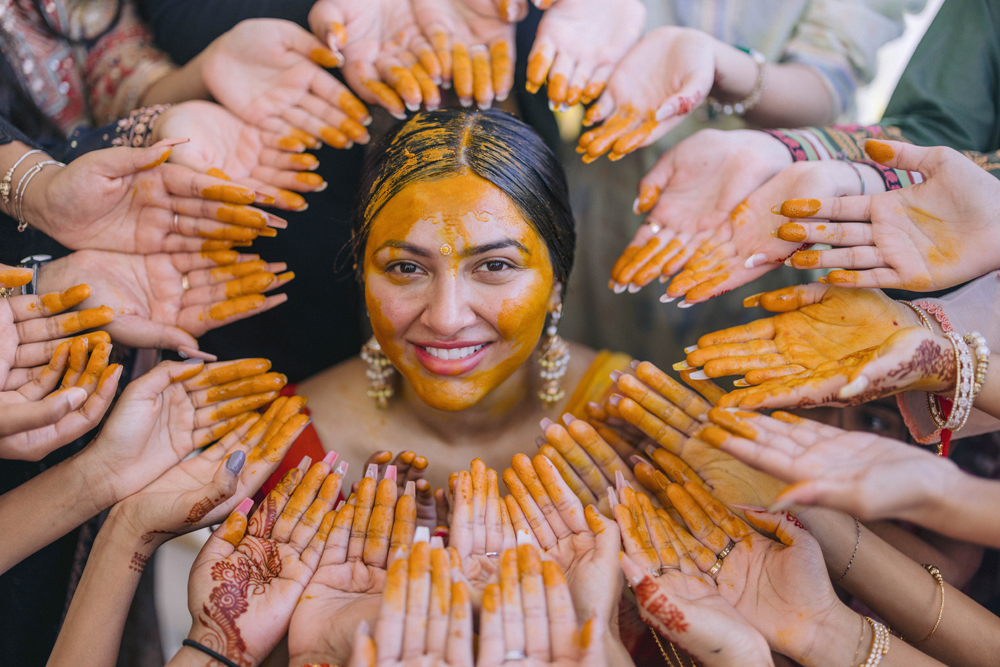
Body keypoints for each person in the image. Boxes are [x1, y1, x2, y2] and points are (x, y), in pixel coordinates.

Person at [285, 108, 633, 491]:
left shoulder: (644, 427)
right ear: (361, 272)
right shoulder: (287, 445)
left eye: (495, 265)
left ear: (557, 281)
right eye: (406, 268)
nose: (446, 320)